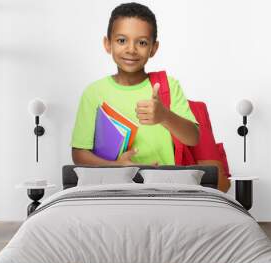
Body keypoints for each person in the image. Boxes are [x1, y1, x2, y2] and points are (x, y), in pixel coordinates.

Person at [71, 2, 199, 166]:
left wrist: (164, 116)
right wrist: (117, 166)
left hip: (161, 186)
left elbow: (193, 138)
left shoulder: (168, 85)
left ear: (154, 48)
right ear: (108, 44)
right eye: (122, 40)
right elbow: (79, 154)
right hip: (113, 186)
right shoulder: (94, 92)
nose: (131, 49)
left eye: (142, 43)